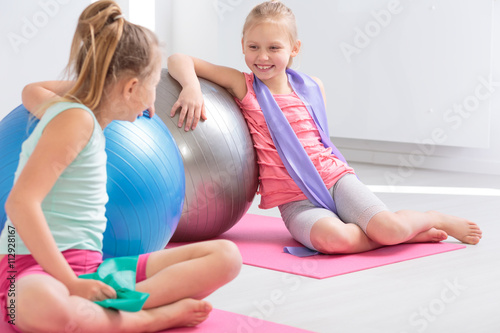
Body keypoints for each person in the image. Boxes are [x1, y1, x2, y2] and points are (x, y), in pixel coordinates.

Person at [167, 0, 482, 256]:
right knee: (335, 241)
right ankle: (400, 238)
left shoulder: (312, 88)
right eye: (253, 47)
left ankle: (429, 220)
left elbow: (321, 144)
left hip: (335, 181)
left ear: (294, 48)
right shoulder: (243, 84)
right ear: (243, 46)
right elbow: (179, 58)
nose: (262, 57)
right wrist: (192, 88)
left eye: (274, 48)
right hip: (295, 202)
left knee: (390, 227)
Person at [0, 1, 242, 332]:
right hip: (33, 271)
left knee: (227, 257)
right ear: (130, 87)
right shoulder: (74, 120)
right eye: (154, 84)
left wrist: (112, 94)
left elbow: (31, 91)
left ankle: (106, 306)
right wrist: (71, 283)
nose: (154, 97)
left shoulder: (73, 111)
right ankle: (148, 318)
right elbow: (19, 203)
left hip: (93, 269)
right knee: (44, 308)